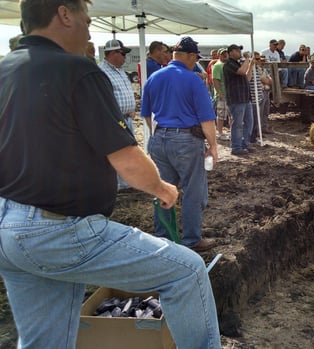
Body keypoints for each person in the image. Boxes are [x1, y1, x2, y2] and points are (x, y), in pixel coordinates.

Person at [0, 2, 221, 348]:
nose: (90, 31)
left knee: (44, 342)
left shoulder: (6, 69)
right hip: (59, 230)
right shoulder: (78, 70)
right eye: (87, 20)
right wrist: (162, 188)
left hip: (8, 229)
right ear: (65, 14)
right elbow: (128, 160)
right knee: (187, 271)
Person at [141, 36, 219, 253]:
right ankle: (192, 239)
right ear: (191, 56)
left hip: (159, 139)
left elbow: (147, 115)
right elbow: (206, 119)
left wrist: (158, 135)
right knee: (193, 190)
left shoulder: (154, 77)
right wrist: (213, 145)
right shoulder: (193, 79)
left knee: (163, 189)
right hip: (186, 140)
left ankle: (163, 237)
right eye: (196, 58)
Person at [99, 39, 137, 190]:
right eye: (122, 54)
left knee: (128, 151)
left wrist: (131, 108)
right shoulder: (101, 71)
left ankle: (125, 182)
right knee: (118, 152)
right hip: (115, 121)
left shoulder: (120, 71)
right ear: (113, 53)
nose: (124, 57)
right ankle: (117, 184)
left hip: (126, 119)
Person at [224, 43, 255, 156]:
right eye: (237, 51)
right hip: (236, 99)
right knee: (237, 124)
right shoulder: (229, 64)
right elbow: (242, 72)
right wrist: (247, 59)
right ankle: (236, 147)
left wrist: (250, 65)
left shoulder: (237, 64)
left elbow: (247, 77)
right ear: (231, 52)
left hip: (245, 98)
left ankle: (245, 144)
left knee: (249, 122)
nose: (240, 53)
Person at [212, 47, 231, 140]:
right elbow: (215, 80)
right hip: (222, 94)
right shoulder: (217, 66)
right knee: (221, 115)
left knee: (231, 114)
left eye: (226, 53)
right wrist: (219, 92)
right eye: (223, 53)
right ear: (219, 55)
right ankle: (219, 133)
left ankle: (232, 132)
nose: (225, 54)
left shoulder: (228, 64)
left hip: (230, 94)